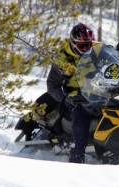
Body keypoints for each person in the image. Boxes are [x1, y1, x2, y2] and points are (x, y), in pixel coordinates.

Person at [46, 23, 96, 163]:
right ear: (73, 43)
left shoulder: (96, 49)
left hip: (99, 91)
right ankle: (76, 157)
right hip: (76, 97)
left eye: (89, 44)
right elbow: (51, 85)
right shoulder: (62, 59)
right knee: (81, 116)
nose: (87, 48)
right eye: (82, 46)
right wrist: (64, 98)